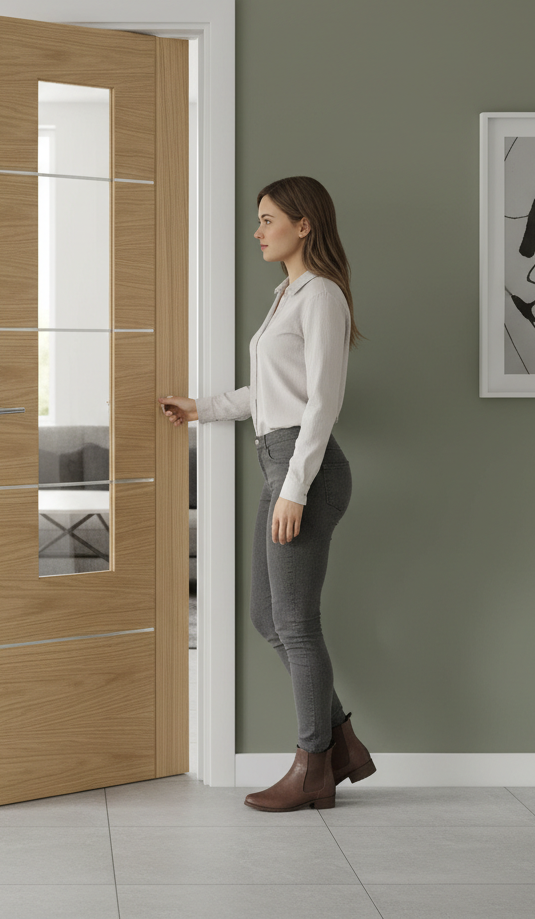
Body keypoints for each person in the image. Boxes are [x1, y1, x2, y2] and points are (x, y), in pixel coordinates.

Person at [159, 175, 375, 812]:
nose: (257, 230)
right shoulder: (288, 294)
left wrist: (295, 489)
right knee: (268, 618)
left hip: (305, 472)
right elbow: (275, 394)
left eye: (268, 219)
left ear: (303, 225)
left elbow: (322, 404)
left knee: (296, 626)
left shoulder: (323, 297)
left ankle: (314, 769)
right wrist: (204, 407)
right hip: (279, 464)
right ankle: (343, 744)